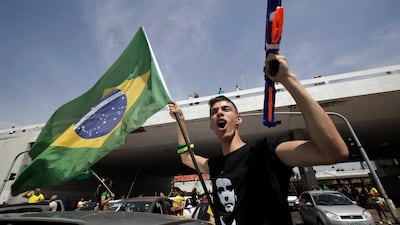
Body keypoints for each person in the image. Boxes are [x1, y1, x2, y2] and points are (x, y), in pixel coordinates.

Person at [168, 53, 349, 225]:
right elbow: (186, 157)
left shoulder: (266, 151)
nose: (219, 113)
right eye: (214, 112)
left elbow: (333, 152)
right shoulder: (216, 166)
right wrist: (180, 120)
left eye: (226, 109)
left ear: (238, 120)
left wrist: (288, 79)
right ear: (211, 124)